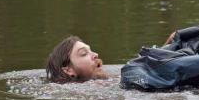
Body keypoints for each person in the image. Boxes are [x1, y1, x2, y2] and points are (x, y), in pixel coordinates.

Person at [45, 33, 176, 83]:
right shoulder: (79, 93)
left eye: (91, 50)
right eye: (84, 53)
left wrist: (166, 48)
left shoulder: (113, 80)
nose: (95, 54)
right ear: (68, 70)